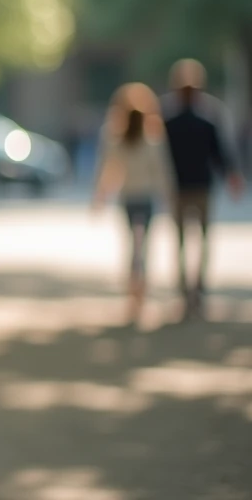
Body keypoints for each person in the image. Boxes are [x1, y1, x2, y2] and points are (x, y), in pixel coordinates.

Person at [161, 59, 245, 318]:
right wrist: (231, 176)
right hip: (199, 186)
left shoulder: (169, 119)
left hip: (181, 186)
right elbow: (220, 153)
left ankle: (187, 288)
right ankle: (197, 287)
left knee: (183, 241)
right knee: (201, 238)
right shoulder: (207, 117)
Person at [91, 83, 175, 326]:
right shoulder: (151, 136)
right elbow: (161, 171)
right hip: (144, 198)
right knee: (142, 246)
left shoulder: (116, 135)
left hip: (129, 198)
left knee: (133, 246)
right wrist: (168, 196)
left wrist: (100, 196)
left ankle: (134, 295)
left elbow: (106, 168)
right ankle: (139, 293)